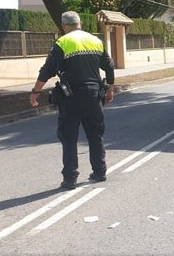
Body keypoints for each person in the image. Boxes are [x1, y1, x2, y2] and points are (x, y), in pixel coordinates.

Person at [30, 11, 115, 190]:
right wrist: (110, 90)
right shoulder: (95, 41)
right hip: (93, 96)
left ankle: (70, 179)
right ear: (80, 23)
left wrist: (35, 92)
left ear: (64, 26)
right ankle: (100, 171)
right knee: (95, 134)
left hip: (71, 97)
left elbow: (47, 70)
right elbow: (109, 67)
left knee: (69, 137)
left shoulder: (62, 43)